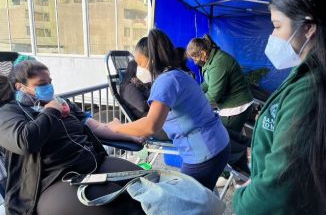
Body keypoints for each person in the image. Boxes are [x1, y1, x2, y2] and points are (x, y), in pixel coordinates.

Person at [233, 0, 326, 213]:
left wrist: (241, 198)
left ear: (308, 28)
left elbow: (280, 188)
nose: (272, 36)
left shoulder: (310, 90)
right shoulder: (303, 75)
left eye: (277, 26)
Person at [0, 62, 145, 215]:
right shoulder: (8, 112)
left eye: (50, 82)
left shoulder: (61, 102)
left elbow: (96, 127)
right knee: (121, 205)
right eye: (42, 84)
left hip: (93, 163)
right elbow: (25, 142)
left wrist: (128, 135)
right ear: (20, 87)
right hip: (52, 182)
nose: (49, 87)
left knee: (146, 185)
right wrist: (51, 111)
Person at [108, 29, 230, 191]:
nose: (138, 68)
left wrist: (117, 128)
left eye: (140, 63)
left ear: (152, 60)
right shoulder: (177, 74)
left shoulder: (165, 81)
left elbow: (151, 125)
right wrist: (142, 133)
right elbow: (160, 116)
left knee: (184, 201)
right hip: (217, 144)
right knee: (202, 197)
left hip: (204, 153)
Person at [186, 34, 253, 134]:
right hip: (232, 105)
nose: (195, 62)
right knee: (235, 137)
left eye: (195, 58)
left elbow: (213, 96)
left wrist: (194, 105)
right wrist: (195, 93)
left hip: (235, 107)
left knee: (226, 139)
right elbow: (208, 83)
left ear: (203, 53)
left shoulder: (218, 63)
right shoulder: (210, 60)